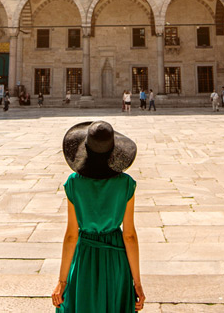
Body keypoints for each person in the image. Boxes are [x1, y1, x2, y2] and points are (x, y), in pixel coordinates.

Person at [53, 121, 145, 312]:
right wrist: (137, 282)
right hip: (116, 259)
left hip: (85, 256)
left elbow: (71, 235)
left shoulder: (74, 183)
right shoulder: (126, 184)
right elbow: (129, 236)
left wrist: (62, 282)